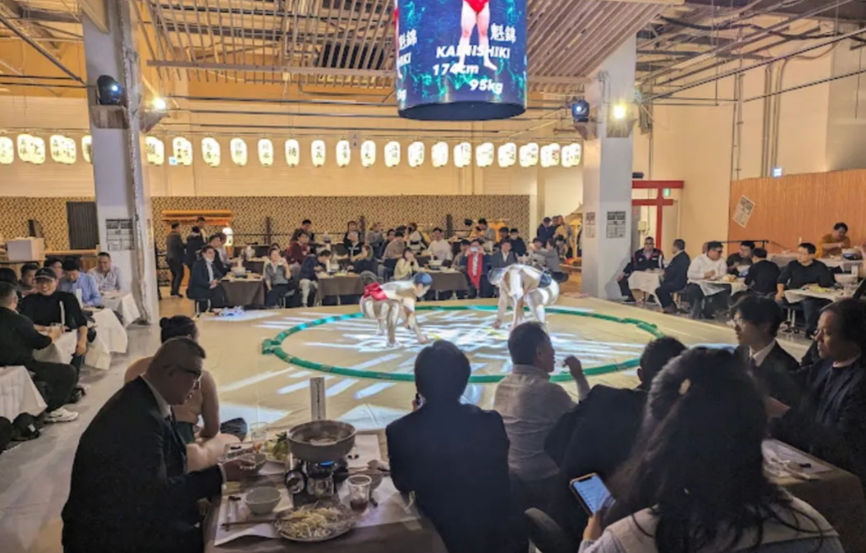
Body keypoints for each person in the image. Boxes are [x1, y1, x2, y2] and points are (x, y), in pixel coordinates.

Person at [582, 347, 842, 553]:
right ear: (759, 430)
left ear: (658, 429)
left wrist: (590, 542)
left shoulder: (629, 539)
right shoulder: (814, 531)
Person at [61, 338, 251, 553]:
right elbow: (156, 496)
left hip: (131, 517)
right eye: (195, 376)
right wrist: (220, 474)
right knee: (233, 541)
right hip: (110, 538)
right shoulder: (138, 418)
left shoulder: (147, 398)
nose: (198, 385)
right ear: (171, 371)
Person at [545, 337, 686, 543]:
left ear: (640, 374)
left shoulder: (601, 397)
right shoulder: (678, 428)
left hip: (565, 518)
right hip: (618, 534)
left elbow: (552, 443)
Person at [386, 341, 522, 553]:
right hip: (498, 538)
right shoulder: (490, 422)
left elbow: (402, 483)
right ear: (464, 380)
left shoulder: (401, 431)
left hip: (440, 541)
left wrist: (414, 422)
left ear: (418, 383)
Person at [124, 316, 246, 470]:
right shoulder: (199, 377)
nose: (194, 387)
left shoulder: (135, 369)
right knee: (234, 431)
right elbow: (212, 429)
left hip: (147, 441)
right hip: (180, 449)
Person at [770, 299, 866, 489]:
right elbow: (786, 383)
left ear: (855, 342)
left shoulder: (860, 383)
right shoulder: (826, 364)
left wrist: (784, 413)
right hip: (815, 462)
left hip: (846, 480)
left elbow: (842, 445)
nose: (817, 338)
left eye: (828, 333)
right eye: (818, 329)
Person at [493, 322, 582, 508]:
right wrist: (579, 376)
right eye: (550, 346)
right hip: (544, 479)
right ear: (539, 353)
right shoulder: (547, 391)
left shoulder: (502, 386)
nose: (554, 352)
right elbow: (586, 416)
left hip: (511, 476)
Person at [0, 282, 78, 423]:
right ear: (15, 300)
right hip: (22, 366)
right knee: (68, 372)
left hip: (5, 367)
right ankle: (52, 410)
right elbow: (40, 343)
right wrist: (52, 335)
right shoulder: (19, 320)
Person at [20, 268, 89, 392]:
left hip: (66, 340)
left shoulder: (67, 298)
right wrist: (47, 328)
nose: (44, 286)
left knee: (76, 350)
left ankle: (69, 386)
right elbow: (26, 324)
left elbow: (81, 322)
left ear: (56, 282)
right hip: (40, 339)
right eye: (40, 282)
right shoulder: (29, 300)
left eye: (48, 282)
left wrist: (83, 340)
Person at [731, 295, 801, 407]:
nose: (735, 328)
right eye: (735, 321)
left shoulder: (788, 368)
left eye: (741, 321)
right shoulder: (740, 352)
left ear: (765, 326)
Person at [776, 243, 834, 337]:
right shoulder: (792, 265)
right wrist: (780, 292)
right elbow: (781, 280)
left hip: (811, 296)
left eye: (802, 254)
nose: (799, 256)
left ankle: (810, 330)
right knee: (775, 300)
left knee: (808, 303)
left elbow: (826, 283)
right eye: (798, 252)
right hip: (793, 295)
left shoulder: (820, 267)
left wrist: (812, 285)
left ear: (811, 255)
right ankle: (776, 326)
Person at [361, 273, 433, 347]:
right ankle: (391, 340)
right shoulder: (409, 292)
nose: (425, 293)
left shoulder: (405, 284)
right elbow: (410, 316)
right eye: (426, 290)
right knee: (395, 305)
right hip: (369, 306)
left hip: (366, 302)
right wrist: (419, 335)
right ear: (420, 286)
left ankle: (380, 328)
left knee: (395, 304)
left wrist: (407, 320)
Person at [685, 240, 728, 319]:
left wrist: (715, 276)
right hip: (697, 283)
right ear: (711, 251)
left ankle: (709, 311)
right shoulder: (698, 260)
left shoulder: (721, 260)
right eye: (718, 252)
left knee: (724, 292)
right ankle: (695, 311)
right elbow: (690, 274)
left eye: (721, 252)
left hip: (714, 284)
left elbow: (723, 274)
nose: (720, 254)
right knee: (694, 290)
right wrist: (704, 275)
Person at [617, 237, 664, 304]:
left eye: (650, 244)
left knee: (655, 280)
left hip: (652, 274)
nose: (648, 245)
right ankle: (631, 296)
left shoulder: (658, 253)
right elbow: (631, 264)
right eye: (646, 244)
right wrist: (623, 273)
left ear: (653, 244)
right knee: (623, 279)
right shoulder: (638, 253)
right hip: (639, 273)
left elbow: (660, 266)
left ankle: (651, 297)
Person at [187, 245, 226, 312]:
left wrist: (215, 280)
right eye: (209, 253)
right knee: (216, 292)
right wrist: (209, 285)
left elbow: (219, 275)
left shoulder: (212, 264)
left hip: (210, 285)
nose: (212, 255)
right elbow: (197, 279)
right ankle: (209, 310)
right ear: (204, 254)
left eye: (213, 253)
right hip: (199, 288)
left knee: (220, 290)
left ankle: (217, 309)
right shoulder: (198, 264)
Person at [655, 239, 690, 314]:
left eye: (672, 246)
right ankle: (670, 305)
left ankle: (670, 306)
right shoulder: (681, 257)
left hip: (678, 282)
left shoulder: (681, 258)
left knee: (660, 290)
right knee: (662, 287)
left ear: (676, 247)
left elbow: (673, 271)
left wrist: (666, 274)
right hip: (676, 280)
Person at [166, 222, 186, 298]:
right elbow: (180, 246)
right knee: (180, 274)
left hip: (169, 258)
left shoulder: (169, 235)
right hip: (176, 258)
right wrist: (189, 245)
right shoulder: (177, 236)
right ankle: (176, 291)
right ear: (177, 228)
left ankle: (173, 291)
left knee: (174, 275)